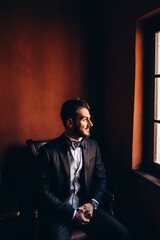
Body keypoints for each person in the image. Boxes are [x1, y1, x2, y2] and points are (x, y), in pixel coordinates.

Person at [37, 98, 131, 240]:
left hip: (88, 209)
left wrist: (92, 204)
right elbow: (42, 192)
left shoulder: (93, 146)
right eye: (85, 119)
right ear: (69, 122)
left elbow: (102, 179)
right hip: (60, 214)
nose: (90, 124)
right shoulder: (47, 152)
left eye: (90, 119)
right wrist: (72, 214)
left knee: (124, 234)